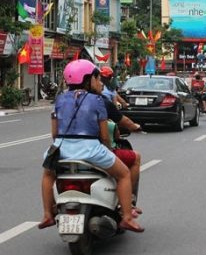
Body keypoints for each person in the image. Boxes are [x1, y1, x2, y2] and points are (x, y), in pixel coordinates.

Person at [39, 60, 144, 233]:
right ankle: (126, 217)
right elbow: (104, 135)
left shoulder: (60, 99)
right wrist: (109, 151)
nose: (99, 82)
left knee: (48, 174)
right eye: (97, 78)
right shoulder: (97, 101)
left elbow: (54, 133)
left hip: (61, 148)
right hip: (91, 149)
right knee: (124, 174)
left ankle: (47, 214)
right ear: (88, 79)